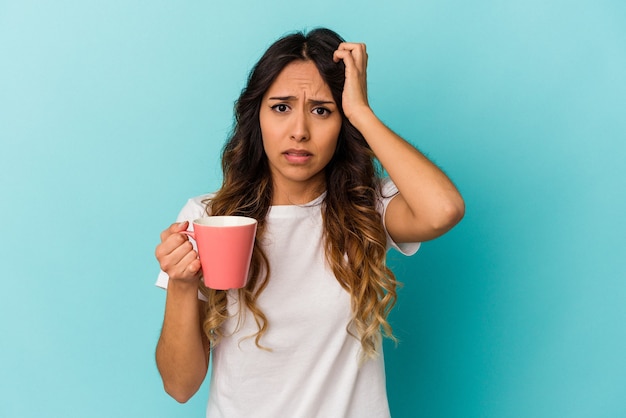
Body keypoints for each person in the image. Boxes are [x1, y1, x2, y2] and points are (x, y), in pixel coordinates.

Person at [154, 28, 464, 417]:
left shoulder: (368, 208)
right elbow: (180, 387)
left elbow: (444, 209)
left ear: (342, 123)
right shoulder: (207, 217)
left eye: (321, 110)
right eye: (281, 107)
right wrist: (181, 285)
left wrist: (362, 113)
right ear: (257, 118)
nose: (299, 131)